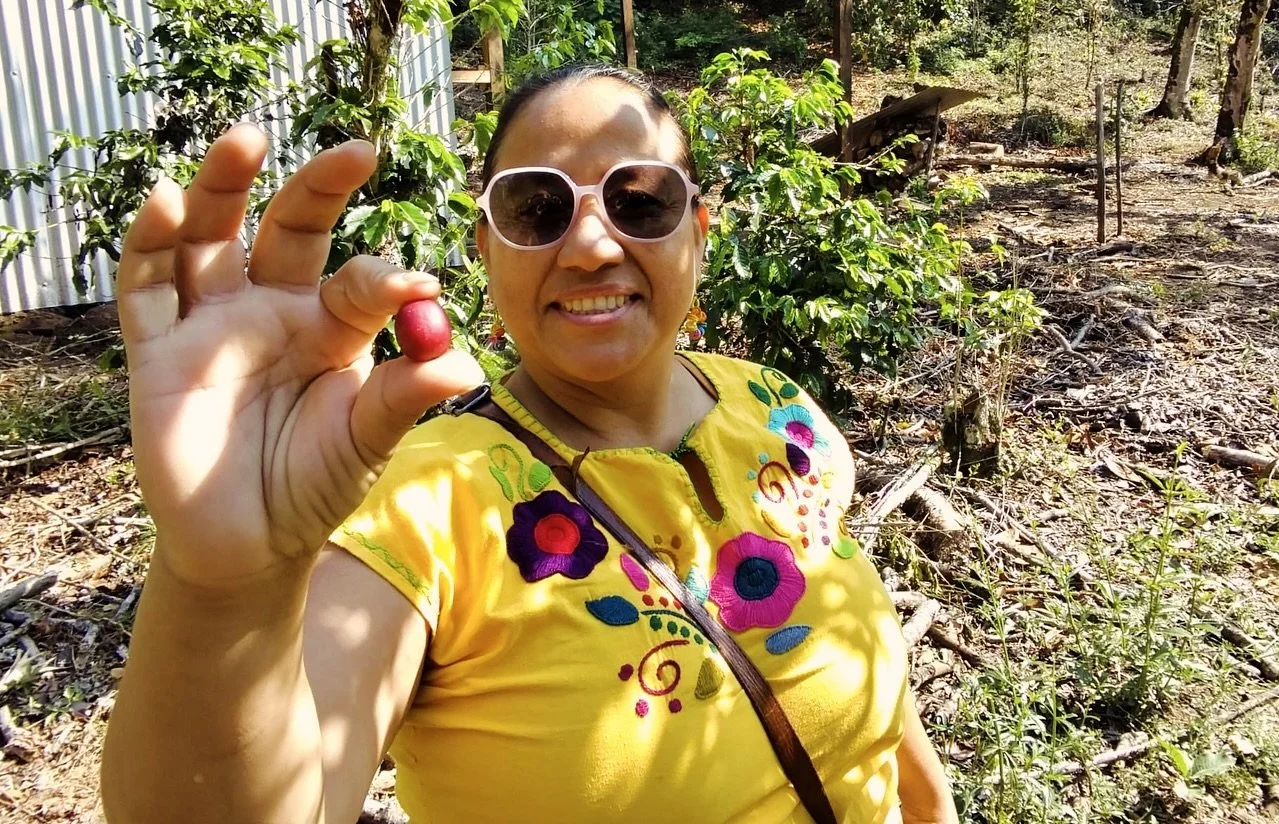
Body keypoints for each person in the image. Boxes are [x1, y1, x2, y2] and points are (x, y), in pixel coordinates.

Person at [100, 65, 958, 824]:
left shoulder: (777, 410)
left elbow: (858, 672)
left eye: (640, 201)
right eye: (536, 209)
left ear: (699, 228)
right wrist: (226, 588)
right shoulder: (426, 511)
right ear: (485, 246)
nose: (589, 246)